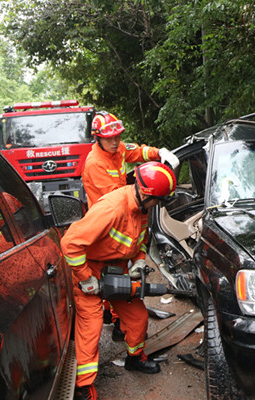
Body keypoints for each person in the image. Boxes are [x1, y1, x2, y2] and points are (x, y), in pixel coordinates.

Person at [61, 161, 176, 400]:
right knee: (90, 330)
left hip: (118, 271)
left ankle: (135, 359)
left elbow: (140, 240)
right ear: (146, 193)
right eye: (159, 199)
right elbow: (70, 244)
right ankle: (83, 387)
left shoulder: (143, 208)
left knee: (138, 318)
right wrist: (85, 279)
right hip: (90, 271)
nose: (159, 205)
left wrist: (139, 262)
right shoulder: (111, 208)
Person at [82, 111, 179, 338]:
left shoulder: (118, 148)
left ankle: (117, 319)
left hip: (122, 215)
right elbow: (114, 198)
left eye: (118, 136)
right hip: (108, 221)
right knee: (115, 271)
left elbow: (138, 151)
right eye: (110, 138)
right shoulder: (95, 163)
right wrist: (141, 187)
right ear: (97, 138)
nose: (115, 141)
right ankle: (119, 322)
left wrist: (159, 153)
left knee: (118, 272)